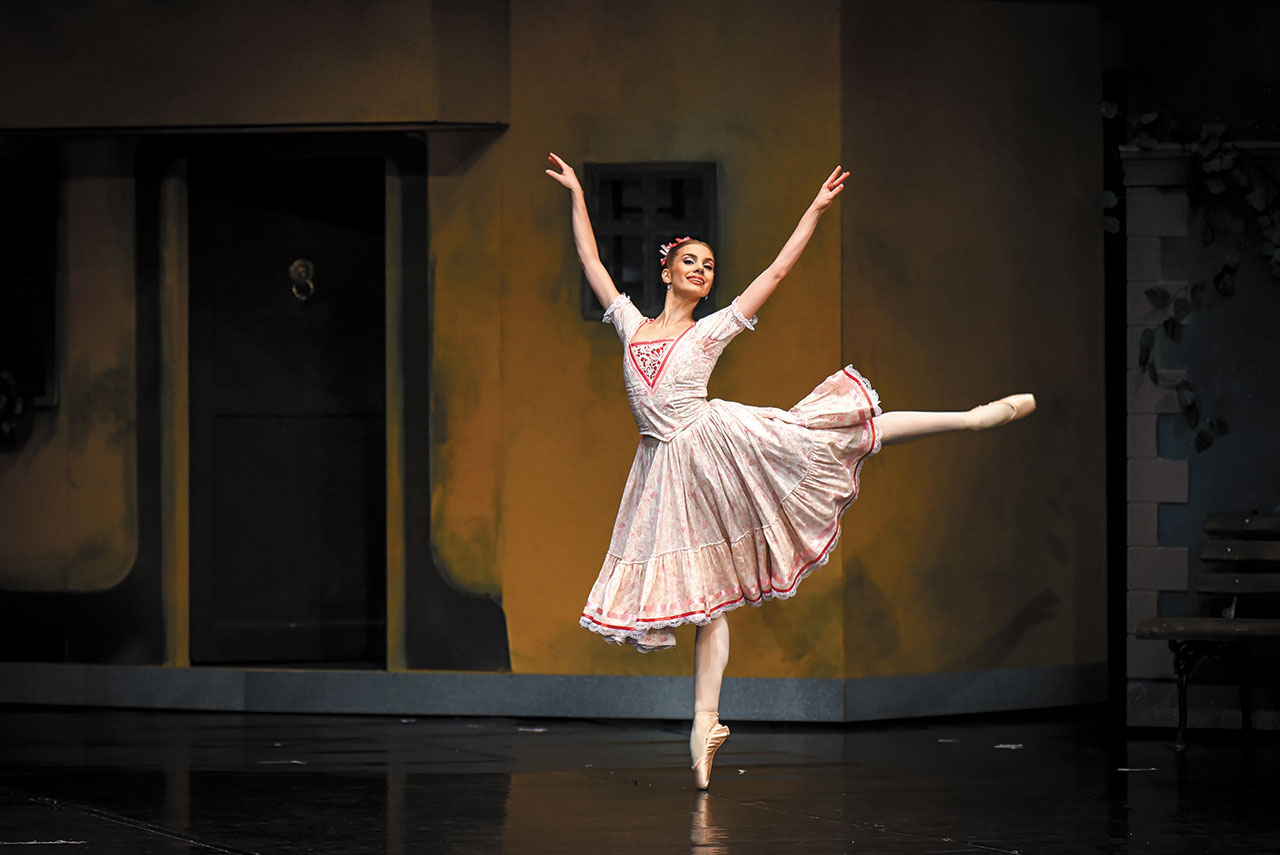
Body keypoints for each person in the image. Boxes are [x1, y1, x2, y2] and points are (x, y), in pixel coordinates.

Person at [545, 152, 1035, 790]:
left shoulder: (711, 330)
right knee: (707, 600)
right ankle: (705, 725)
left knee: (829, 436)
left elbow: (776, 270)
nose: (700, 269)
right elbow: (591, 261)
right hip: (665, 472)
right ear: (666, 270)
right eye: (690, 260)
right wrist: (578, 195)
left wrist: (815, 210)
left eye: (709, 265)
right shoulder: (631, 325)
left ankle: (969, 418)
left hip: (718, 447)